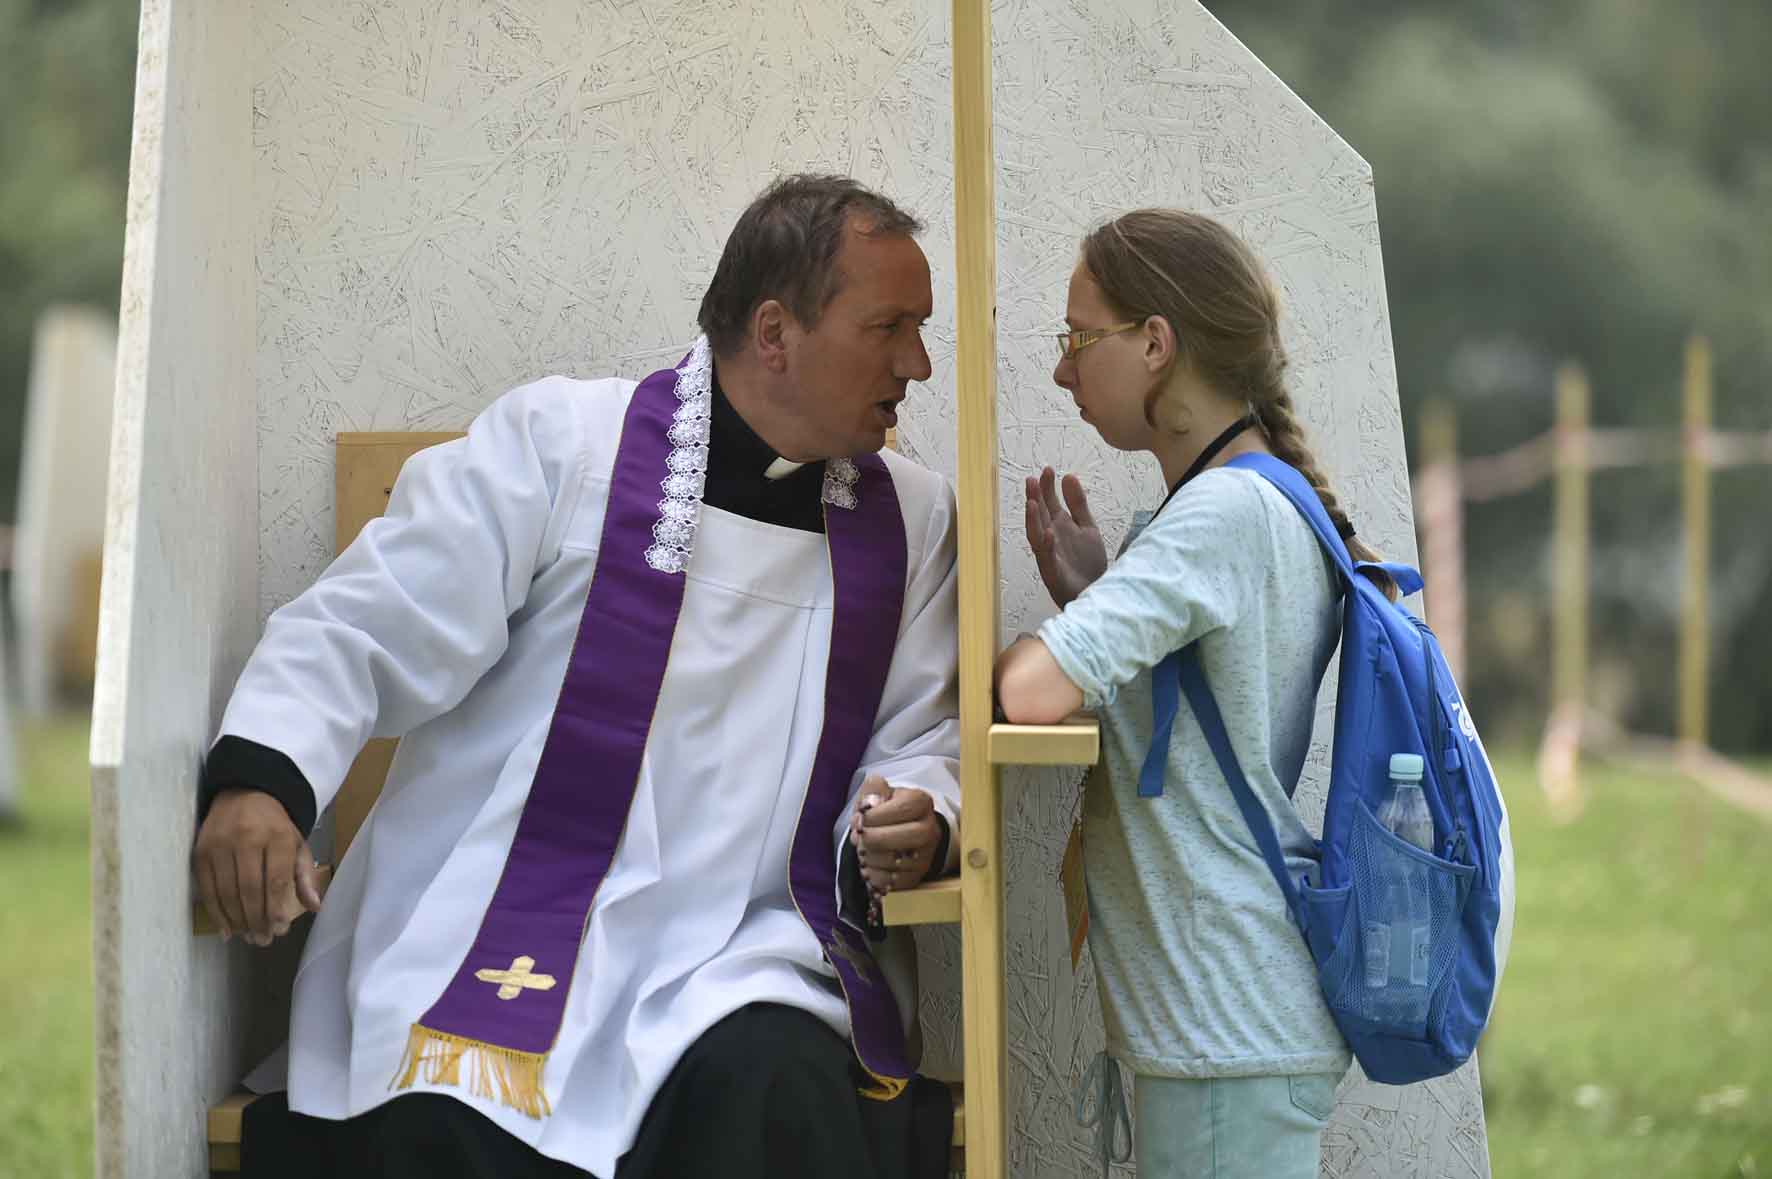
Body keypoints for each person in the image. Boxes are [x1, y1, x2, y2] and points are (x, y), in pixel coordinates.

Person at [191, 174, 962, 1179]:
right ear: (775, 332)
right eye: (889, 327)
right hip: (503, 916)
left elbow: (920, 737)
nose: (917, 364)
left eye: (920, 329)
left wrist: (921, 812)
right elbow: (368, 618)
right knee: (447, 1122)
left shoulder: (911, 521)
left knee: (777, 1086)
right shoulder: (563, 448)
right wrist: (261, 777)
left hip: (745, 949)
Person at [994, 210, 1394, 1178]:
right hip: (1230, 1035)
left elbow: (1031, 692)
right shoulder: (1256, 496)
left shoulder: (1219, 513)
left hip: (1225, 1037)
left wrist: (1013, 645)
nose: (1061, 372)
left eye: (1076, 340)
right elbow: (1211, 705)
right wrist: (1096, 597)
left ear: (1155, 344)